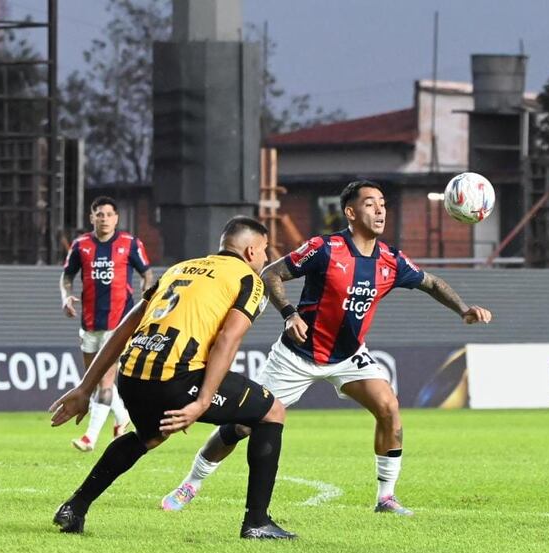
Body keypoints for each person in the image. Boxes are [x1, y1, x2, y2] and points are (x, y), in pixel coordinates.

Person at [160, 179, 492, 516]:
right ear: (350, 212)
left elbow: (431, 283)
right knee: (244, 425)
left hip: (348, 357)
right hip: (296, 356)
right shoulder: (325, 248)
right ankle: (192, 483)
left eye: (382, 204)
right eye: (369, 204)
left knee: (388, 407)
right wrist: (289, 314)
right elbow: (271, 273)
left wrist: (463, 308)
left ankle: (386, 498)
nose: (379, 210)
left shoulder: (391, 260)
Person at [49, 217, 295, 540]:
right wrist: (202, 401)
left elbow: (125, 326)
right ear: (251, 251)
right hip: (177, 377)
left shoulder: (178, 269)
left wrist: (85, 387)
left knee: (148, 437)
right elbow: (227, 339)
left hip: (131, 375)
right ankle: (258, 522)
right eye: (264, 250)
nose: (265, 258)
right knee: (272, 411)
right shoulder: (249, 280)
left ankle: (75, 507)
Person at [60, 196, 154, 452]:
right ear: (92, 217)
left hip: (119, 325)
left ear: (116, 218)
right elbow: (66, 276)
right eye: (99, 214)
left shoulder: (130, 243)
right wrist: (66, 296)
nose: (104, 219)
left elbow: (147, 273)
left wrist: (146, 296)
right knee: (93, 381)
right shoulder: (81, 245)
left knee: (103, 382)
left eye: (109, 214)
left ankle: (90, 438)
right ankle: (122, 417)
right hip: (90, 324)